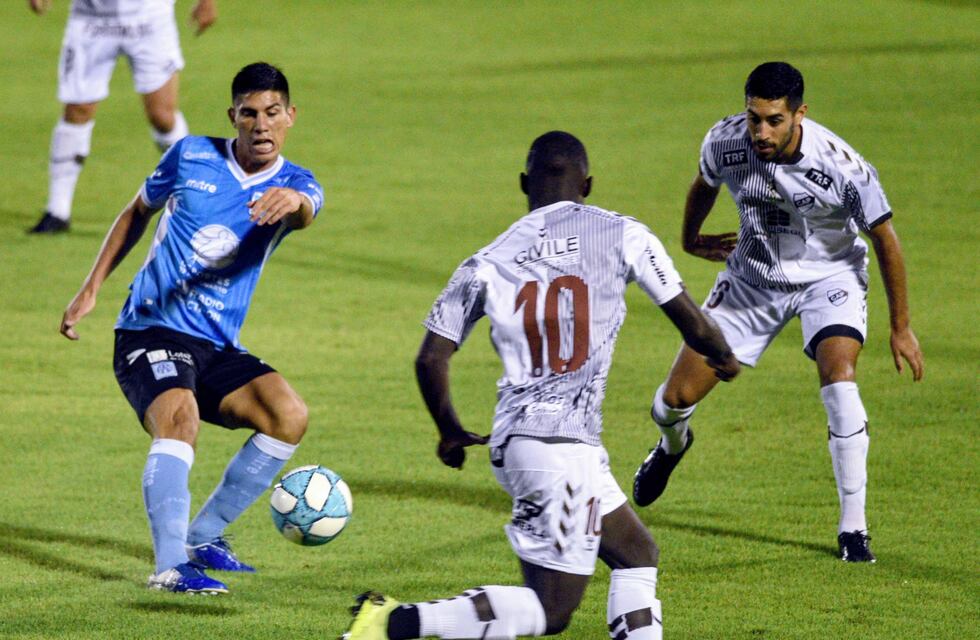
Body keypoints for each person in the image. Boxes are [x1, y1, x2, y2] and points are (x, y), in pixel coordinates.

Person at [340, 131, 739, 639]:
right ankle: (392, 621)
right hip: (560, 448)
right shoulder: (623, 233)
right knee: (551, 610)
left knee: (636, 553)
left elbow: (430, 357)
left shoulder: (486, 260)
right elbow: (692, 322)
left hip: (527, 443)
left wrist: (449, 429)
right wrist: (722, 356)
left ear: (524, 183)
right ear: (588, 184)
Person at [631, 62, 924, 563]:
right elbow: (705, 182)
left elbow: (884, 238)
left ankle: (853, 529)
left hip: (828, 279)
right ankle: (672, 446)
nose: (761, 132)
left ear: (799, 115)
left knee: (840, 378)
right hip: (752, 280)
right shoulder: (725, 142)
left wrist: (901, 327)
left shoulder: (841, 166)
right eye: (753, 118)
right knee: (673, 400)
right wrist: (690, 238)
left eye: (773, 120)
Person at [60, 62, 324, 593]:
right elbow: (137, 211)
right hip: (149, 331)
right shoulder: (190, 156)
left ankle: (205, 537)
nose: (261, 125)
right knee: (180, 421)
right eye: (249, 114)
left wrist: (294, 203)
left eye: (272, 113)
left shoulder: (298, 183)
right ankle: (168, 565)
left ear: (290, 117)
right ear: (233, 117)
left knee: (288, 415)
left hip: (215, 345)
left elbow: (306, 209)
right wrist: (92, 286)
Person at [27, 0, 218, 234]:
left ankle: (194, 195)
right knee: (78, 109)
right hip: (91, 17)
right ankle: (57, 211)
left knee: (162, 116)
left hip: (149, 16)